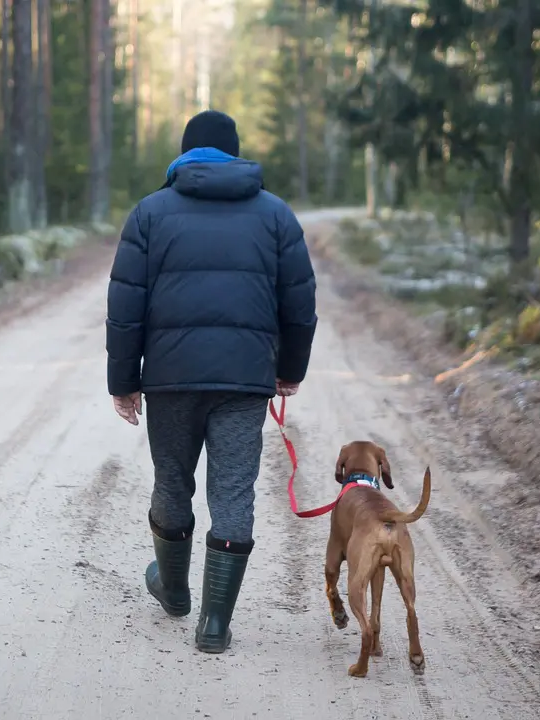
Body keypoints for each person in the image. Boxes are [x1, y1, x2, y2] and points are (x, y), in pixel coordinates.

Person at [105, 110, 318, 653]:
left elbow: (125, 308)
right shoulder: (275, 215)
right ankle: (215, 624)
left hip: (172, 379)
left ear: (184, 154)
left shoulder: (150, 213)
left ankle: (174, 591)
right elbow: (300, 304)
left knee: (172, 481)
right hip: (244, 382)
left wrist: (123, 381)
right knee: (233, 491)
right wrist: (289, 369)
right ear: (235, 153)